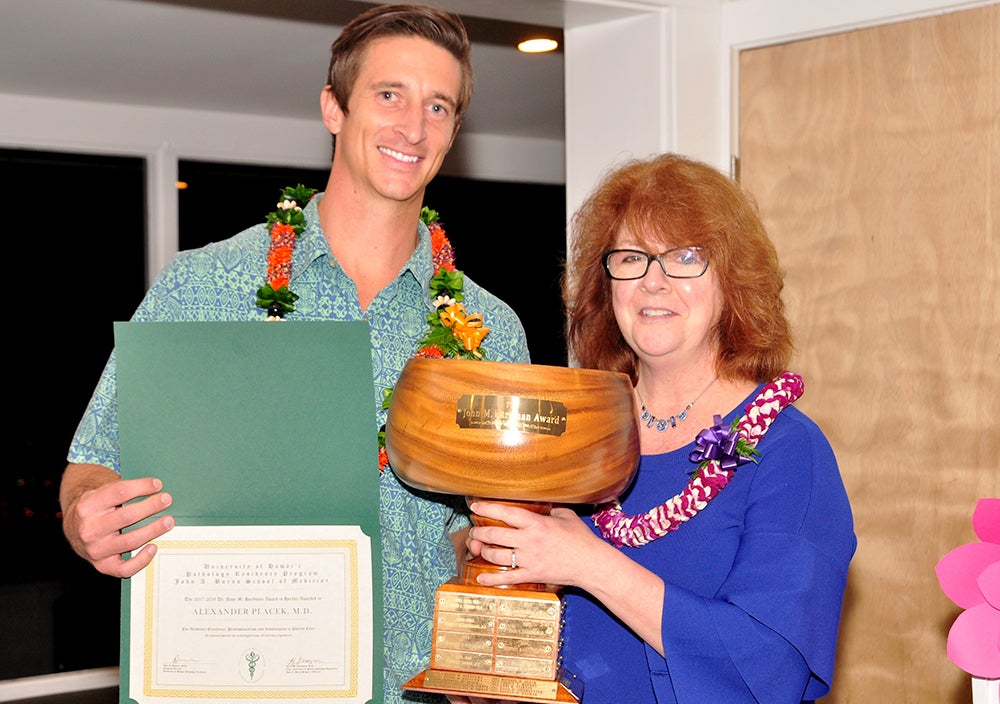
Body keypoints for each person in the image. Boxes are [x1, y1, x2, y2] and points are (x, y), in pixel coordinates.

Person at [58, 5, 529, 703]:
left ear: (455, 131)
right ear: (333, 108)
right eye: (389, 94)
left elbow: (485, 539)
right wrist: (88, 517)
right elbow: (91, 469)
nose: (413, 126)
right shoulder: (203, 285)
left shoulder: (492, 332)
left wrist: (492, 607)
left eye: (439, 106)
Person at [464, 154, 855, 703]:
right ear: (607, 285)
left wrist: (589, 563)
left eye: (685, 258)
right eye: (631, 258)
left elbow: (770, 668)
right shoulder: (572, 431)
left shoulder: (790, 451)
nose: (653, 282)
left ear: (734, 280)